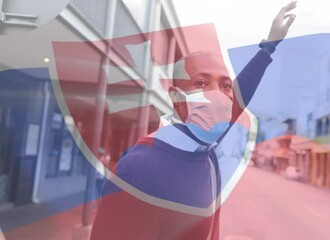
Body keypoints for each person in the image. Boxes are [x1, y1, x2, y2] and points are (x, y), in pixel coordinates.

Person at [90, 2, 297, 239]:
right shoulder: (138, 173)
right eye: (201, 83)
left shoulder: (203, 147)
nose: (217, 96)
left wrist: (268, 46)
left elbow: (240, 96)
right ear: (176, 97)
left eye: (225, 86)